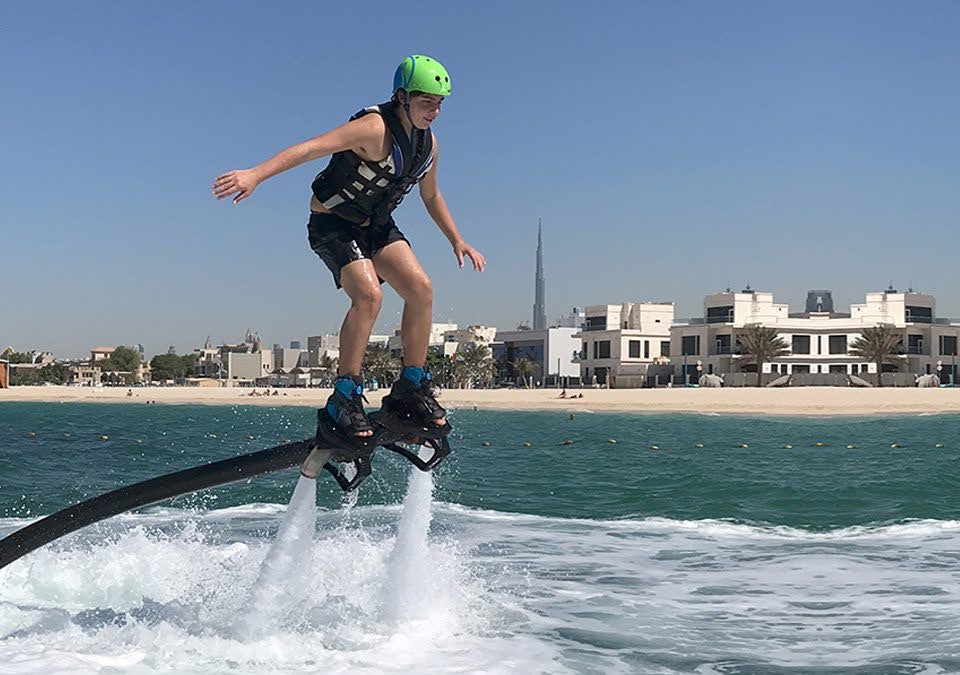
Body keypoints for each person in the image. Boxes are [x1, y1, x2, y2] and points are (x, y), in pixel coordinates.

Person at [213, 55, 484, 443]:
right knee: (369, 295)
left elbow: (431, 194)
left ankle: (411, 387)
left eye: (440, 103)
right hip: (333, 225)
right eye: (427, 102)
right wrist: (255, 173)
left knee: (421, 289)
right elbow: (310, 149)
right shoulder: (372, 128)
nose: (435, 111)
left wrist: (456, 239)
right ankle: (345, 395)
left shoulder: (429, 145)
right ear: (402, 97)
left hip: (375, 226)